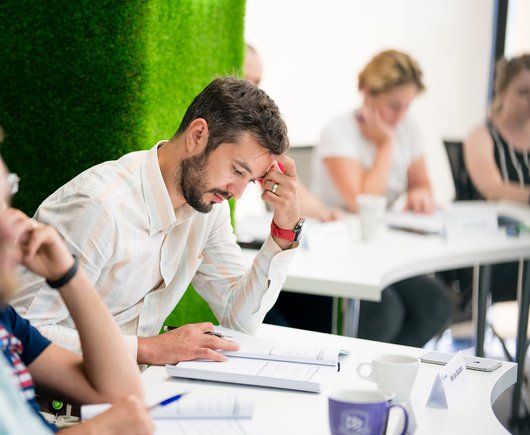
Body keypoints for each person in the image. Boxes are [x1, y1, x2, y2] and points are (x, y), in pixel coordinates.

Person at [12, 77, 303, 365]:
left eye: (250, 181)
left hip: (136, 391)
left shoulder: (208, 209)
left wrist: (284, 233)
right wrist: (146, 349)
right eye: (238, 171)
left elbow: (238, 319)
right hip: (61, 405)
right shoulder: (98, 207)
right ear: (197, 135)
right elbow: (19, 334)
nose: (237, 193)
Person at [305, 50, 453, 346]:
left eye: (407, 106)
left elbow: (421, 181)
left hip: (381, 248)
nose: (400, 116)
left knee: (437, 305)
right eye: (393, 105)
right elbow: (363, 200)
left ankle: (386, 379)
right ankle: (360, 380)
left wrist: (421, 192)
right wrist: (386, 143)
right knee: (386, 313)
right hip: (339, 248)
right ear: (368, 93)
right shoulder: (339, 130)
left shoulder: (408, 128)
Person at [0, 155, 154, 434]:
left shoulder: (4, 321)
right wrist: (98, 431)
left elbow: (120, 394)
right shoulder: (99, 200)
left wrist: (67, 274)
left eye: (6, 201)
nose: (14, 223)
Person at [244, 44, 343, 222]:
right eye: (244, 78)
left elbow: (288, 187)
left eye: (256, 82)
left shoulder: (254, 133)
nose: (251, 89)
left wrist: (324, 213)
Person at [463, 53, 530, 303]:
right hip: (496, 249)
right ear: (502, 91)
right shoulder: (482, 135)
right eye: (524, 92)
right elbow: (492, 188)